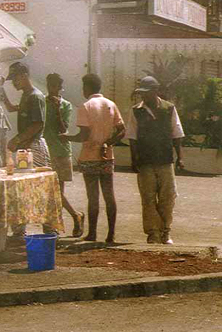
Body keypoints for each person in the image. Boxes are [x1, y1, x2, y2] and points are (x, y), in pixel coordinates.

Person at [59, 73, 125, 243]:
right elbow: (122, 130)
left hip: (89, 157)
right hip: (106, 157)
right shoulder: (110, 104)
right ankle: (111, 234)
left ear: (86, 87)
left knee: (93, 197)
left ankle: (93, 233)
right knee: (109, 195)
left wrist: (67, 137)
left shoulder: (85, 106)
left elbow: (84, 135)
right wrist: (108, 143)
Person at [125, 76, 185, 244]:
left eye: (146, 93)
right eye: (141, 93)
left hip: (165, 160)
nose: (143, 97)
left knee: (168, 196)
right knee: (148, 198)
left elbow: (177, 134)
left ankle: (165, 231)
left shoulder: (169, 108)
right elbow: (132, 137)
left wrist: (180, 157)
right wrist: (133, 159)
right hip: (145, 161)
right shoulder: (136, 110)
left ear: (155, 91)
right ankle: (153, 232)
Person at [2, 61, 52, 237]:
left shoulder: (35, 96)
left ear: (24, 76)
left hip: (34, 146)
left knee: (39, 188)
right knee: (22, 189)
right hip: (25, 148)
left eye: (15, 78)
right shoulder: (26, 95)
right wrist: (3, 96)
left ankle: (49, 230)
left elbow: (37, 124)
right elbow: (12, 108)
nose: (13, 83)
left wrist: (17, 139)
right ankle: (20, 230)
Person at [43, 73, 85, 237]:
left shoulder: (66, 105)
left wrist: (57, 111)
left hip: (61, 151)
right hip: (46, 151)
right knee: (50, 192)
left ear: (60, 88)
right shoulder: (42, 102)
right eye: (49, 86)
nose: (52, 90)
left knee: (58, 191)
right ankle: (56, 223)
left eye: (55, 86)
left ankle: (71, 217)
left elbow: (63, 128)